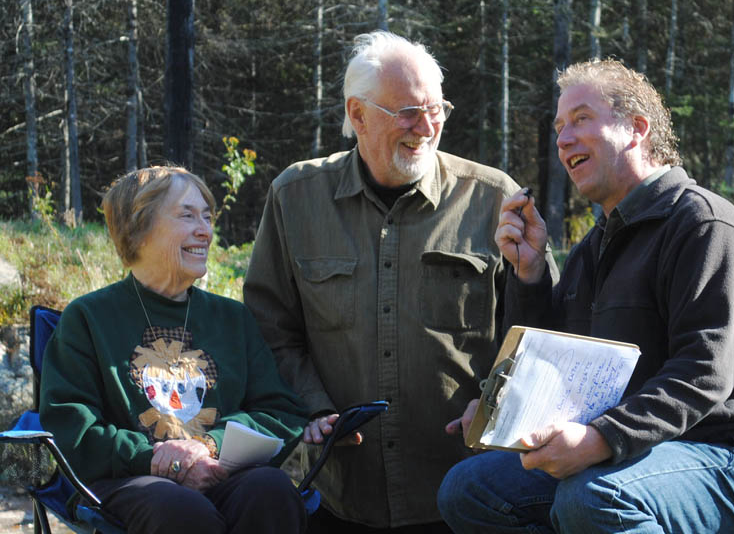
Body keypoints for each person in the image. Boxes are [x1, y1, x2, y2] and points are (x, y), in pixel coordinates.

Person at [437, 58, 734, 533]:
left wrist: (602, 437)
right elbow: (557, 357)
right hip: (632, 450)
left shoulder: (706, 227)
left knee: (593, 497)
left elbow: (703, 375)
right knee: (468, 490)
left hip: (730, 453)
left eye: (581, 119)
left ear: (637, 128)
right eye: (559, 127)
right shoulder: (594, 245)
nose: (562, 140)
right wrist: (531, 272)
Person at [243, 30, 555, 532]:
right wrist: (314, 407)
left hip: (463, 493)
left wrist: (497, 404)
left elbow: (541, 337)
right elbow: (268, 328)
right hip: (340, 492)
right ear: (359, 114)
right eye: (408, 112)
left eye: (437, 109)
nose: (426, 127)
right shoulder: (296, 198)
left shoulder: (492, 197)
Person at [39, 166, 309, 534]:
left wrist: (209, 446)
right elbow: (72, 432)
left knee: (272, 490)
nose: (206, 230)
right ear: (139, 228)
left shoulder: (232, 318)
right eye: (187, 215)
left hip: (222, 472)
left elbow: (281, 412)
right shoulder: (87, 319)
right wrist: (157, 459)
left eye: (207, 217)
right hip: (130, 482)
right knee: (179, 509)